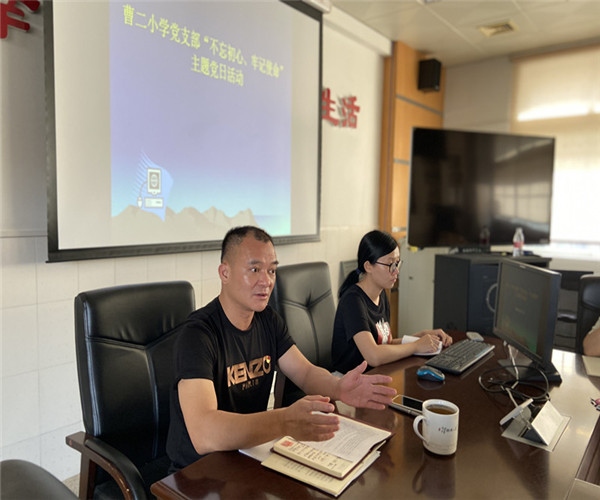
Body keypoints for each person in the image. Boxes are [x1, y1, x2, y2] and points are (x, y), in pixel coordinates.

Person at [166, 226, 397, 471]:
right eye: (254, 270)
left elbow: (305, 372)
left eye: (272, 270)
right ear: (225, 273)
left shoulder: (267, 319)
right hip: (197, 472)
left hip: (247, 454)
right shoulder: (198, 334)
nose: (266, 281)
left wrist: (338, 387)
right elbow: (204, 434)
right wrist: (283, 421)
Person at [331, 230, 453, 374]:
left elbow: (385, 345)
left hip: (375, 374)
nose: (396, 271)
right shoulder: (352, 301)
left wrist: (420, 336)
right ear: (368, 266)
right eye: (390, 264)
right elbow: (374, 356)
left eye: (397, 263)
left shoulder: (381, 294)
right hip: (347, 380)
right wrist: (416, 346)